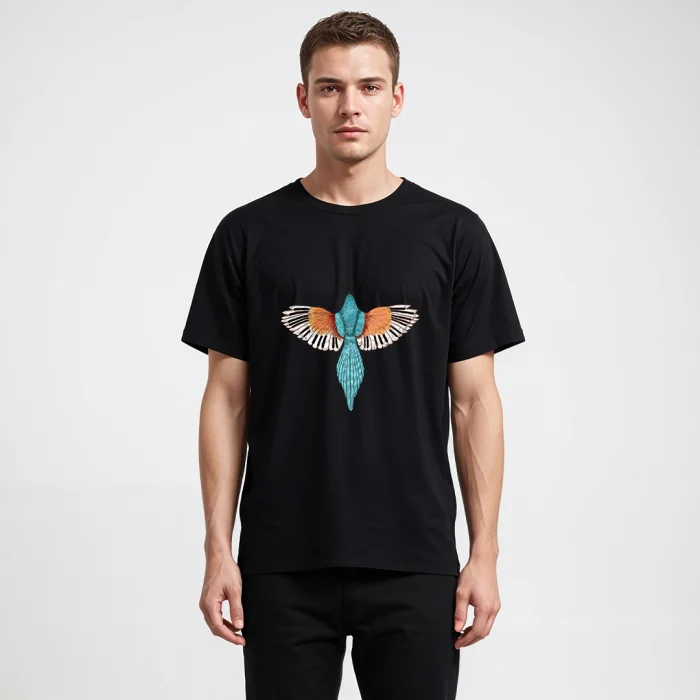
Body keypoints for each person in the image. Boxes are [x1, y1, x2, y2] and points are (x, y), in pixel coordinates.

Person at [180, 10, 525, 700]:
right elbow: (226, 398)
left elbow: (474, 402)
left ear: (397, 98)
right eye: (330, 87)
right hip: (282, 558)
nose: (350, 106)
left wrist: (484, 552)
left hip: (415, 557)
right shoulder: (247, 234)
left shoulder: (453, 234)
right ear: (303, 99)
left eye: (369, 87)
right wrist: (218, 548)